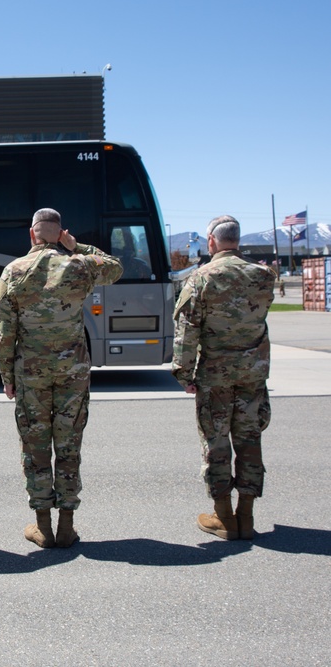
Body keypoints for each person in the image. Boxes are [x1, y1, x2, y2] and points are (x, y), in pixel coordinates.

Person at [0, 208, 122, 549]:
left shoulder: (14, 271)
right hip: (73, 372)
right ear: (59, 232)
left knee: (35, 447)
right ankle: (67, 524)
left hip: (31, 372)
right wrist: (77, 246)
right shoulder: (79, 265)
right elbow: (115, 268)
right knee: (69, 445)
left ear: (31, 234)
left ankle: (42, 527)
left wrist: (7, 375)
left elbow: (5, 333)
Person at [172, 215, 274, 540]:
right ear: (238, 242)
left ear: (212, 242)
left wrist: (183, 373)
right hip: (252, 374)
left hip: (215, 374)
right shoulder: (264, 276)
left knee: (216, 443)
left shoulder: (201, 278)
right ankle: (246, 516)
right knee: (249, 440)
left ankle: (224, 517)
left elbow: (187, 331)